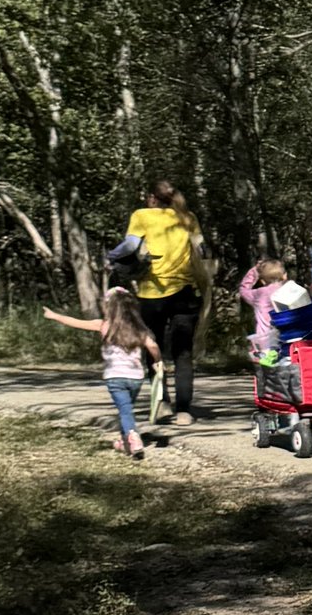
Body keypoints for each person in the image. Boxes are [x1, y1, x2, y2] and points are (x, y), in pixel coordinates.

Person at [116, 180, 205, 423]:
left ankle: (162, 403)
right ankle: (184, 411)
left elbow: (130, 246)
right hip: (186, 293)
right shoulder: (188, 217)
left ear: (152, 198)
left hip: (151, 293)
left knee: (152, 348)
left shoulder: (141, 215)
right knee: (183, 353)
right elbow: (202, 251)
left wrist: (110, 256)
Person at [43, 288, 160, 457]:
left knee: (124, 410)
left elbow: (76, 322)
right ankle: (126, 441)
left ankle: (133, 437)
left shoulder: (103, 325)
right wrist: (158, 362)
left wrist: (55, 316)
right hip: (136, 378)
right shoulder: (139, 329)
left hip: (114, 378)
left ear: (109, 307)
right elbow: (153, 346)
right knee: (126, 410)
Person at [235, 252, 289, 364]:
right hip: (287, 340)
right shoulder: (291, 291)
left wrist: (254, 271)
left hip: (265, 343)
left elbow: (243, 290)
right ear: (285, 276)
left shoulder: (259, 294)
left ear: (262, 281)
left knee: (266, 373)